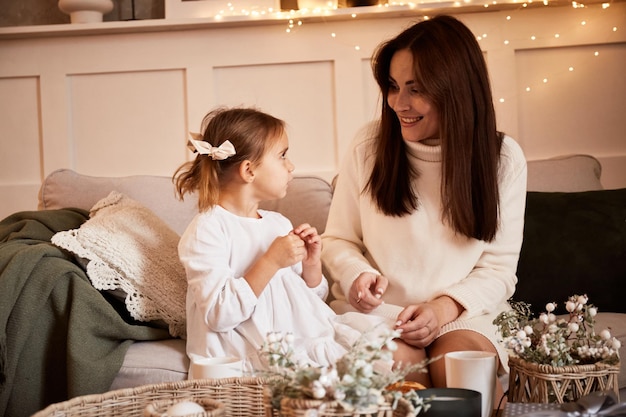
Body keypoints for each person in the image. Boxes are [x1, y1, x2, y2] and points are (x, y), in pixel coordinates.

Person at [321, 15, 528, 391]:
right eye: (393, 86)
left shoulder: (503, 158)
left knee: (462, 374)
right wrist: (355, 276)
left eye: (416, 89)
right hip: (381, 316)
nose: (399, 103)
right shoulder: (368, 147)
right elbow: (337, 240)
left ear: (455, 89)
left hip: (465, 315)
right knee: (405, 372)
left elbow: (499, 269)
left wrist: (443, 308)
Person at [173, 107, 363, 373]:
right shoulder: (208, 230)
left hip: (296, 340)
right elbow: (219, 313)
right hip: (244, 356)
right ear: (249, 170)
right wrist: (271, 261)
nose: (291, 166)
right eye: (283, 156)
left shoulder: (277, 224)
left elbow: (305, 301)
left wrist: (311, 265)